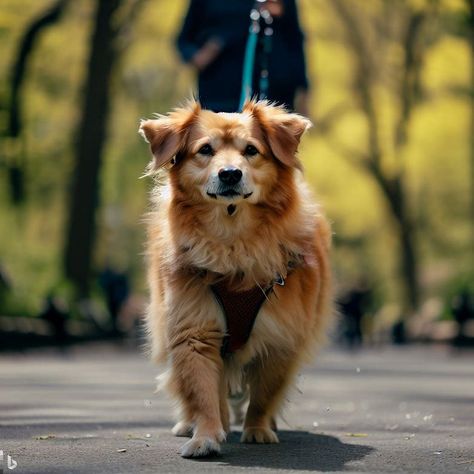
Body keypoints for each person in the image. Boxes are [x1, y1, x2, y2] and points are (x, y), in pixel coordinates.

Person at [176, 0, 309, 113]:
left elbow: (295, 40)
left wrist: (304, 88)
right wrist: (199, 57)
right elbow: (183, 40)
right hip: (219, 92)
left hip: (273, 94)